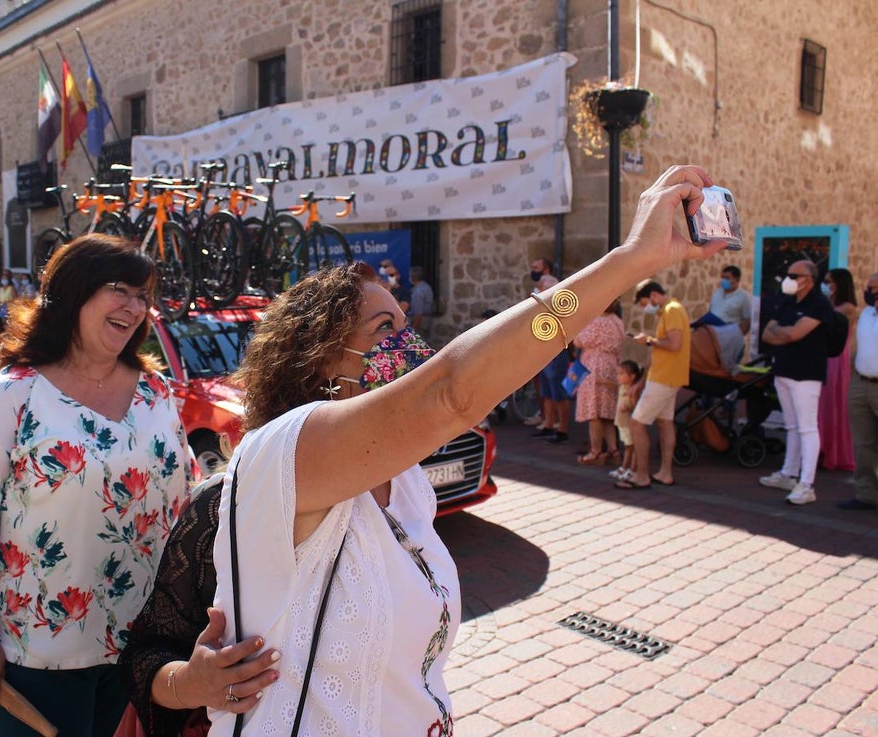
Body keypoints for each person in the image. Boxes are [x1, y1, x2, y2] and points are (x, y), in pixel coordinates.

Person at [121, 165, 730, 736]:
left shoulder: (407, 480)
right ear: (319, 360)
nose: (408, 346)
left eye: (405, 324)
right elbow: (454, 391)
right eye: (385, 332)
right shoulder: (286, 457)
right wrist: (628, 263)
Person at [0, 234, 199, 737]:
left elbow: (184, 502)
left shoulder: (155, 391)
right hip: (37, 657)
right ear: (72, 294)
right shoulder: (10, 397)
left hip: (142, 653)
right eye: (119, 289)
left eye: (143, 296)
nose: (134, 307)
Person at [758, 259, 835, 505]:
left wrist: (784, 332)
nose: (789, 279)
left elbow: (794, 333)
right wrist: (786, 333)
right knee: (791, 426)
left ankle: (806, 484)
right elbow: (767, 333)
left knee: (807, 428)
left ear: (808, 280)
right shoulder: (788, 301)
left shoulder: (819, 304)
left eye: (794, 275)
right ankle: (788, 474)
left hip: (806, 375)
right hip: (784, 371)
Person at [619, 279, 691, 489]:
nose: (645, 308)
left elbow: (674, 344)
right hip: (667, 377)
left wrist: (649, 340)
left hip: (663, 378)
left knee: (637, 423)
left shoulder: (671, 310)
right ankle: (665, 473)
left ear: (653, 296)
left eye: (644, 303)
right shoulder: (670, 310)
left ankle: (642, 476)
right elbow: (662, 347)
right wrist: (642, 380)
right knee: (664, 422)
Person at [840, 272, 878, 511]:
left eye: (876, 289)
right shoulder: (865, 315)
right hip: (860, 384)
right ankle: (866, 494)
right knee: (863, 444)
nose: (872, 293)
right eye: (869, 288)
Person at [573, 299, 624, 465]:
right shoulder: (617, 321)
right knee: (607, 413)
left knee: (594, 412)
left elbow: (579, 340)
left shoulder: (597, 321)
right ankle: (613, 450)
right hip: (611, 365)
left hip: (594, 365)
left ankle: (595, 452)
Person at [817, 268, 858, 471]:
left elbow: (826, 320)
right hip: (823, 354)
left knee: (832, 403)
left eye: (828, 281)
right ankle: (820, 449)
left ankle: (832, 452)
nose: (825, 284)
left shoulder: (847, 307)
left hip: (836, 359)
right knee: (821, 404)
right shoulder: (829, 304)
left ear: (839, 284)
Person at [529, 257, 570, 440]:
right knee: (545, 388)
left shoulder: (552, 285)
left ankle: (562, 428)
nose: (533, 270)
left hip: (555, 346)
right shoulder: (539, 287)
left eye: (536, 267)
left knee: (557, 389)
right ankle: (548, 423)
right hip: (543, 345)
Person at [609, 360, 644, 482]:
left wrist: (628, 406)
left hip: (629, 423)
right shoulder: (622, 387)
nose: (618, 376)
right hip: (622, 422)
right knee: (627, 446)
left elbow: (636, 406)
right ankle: (624, 467)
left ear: (632, 376)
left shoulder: (632, 390)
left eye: (621, 373)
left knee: (631, 447)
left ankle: (631, 469)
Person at [707, 264, 753, 334]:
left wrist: (737, 336)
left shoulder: (743, 297)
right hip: (714, 336)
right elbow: (710, 312)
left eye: (727, 278)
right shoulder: (717, 293)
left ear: (737, 279)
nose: (724, 280)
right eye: (723, 277)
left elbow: (747, 321)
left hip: (730, 337)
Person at [408, 265, 434, 334]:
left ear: (413, 277)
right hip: (426, 322)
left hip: (419, 323)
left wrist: (413, 331)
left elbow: (418, 313)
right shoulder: (426, 287)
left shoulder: (418, 291)